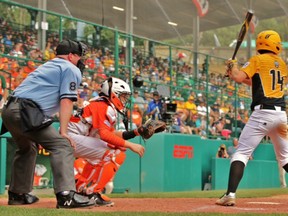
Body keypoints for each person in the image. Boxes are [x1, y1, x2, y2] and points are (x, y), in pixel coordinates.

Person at [1, 39, 96, 208]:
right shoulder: (70, 68)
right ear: (71, 55)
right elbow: (66, 100)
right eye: (79, 56)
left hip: (8, 110)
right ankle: (66, 196)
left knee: (27, 148)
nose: (80, 60)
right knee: (62, 145)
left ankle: (18, 194)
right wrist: (64, 132)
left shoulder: (48, 65)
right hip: (25, 110)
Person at [216, 30, 288, 206]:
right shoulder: (282, 63)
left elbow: (241, 77)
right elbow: (253, 80)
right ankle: (229, 195)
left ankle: (230, 195)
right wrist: (233, 72)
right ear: (276, 45)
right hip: (280, 116)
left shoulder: (257, 59)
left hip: (263, 113)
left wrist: (234, 67)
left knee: (241, 153)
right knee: (285, 158)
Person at [67, 77, 145, 206]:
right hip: (71, 138)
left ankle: (81, 189)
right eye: (123, 96)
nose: (125, 99)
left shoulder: (101, 104)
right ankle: (93, 192)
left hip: (74, 137)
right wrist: (131, 145)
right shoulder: (103, 106)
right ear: (113, 94)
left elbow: (110, 134)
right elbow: (104, 135)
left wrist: (136, 132)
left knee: (100, 157)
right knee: (115, 153)